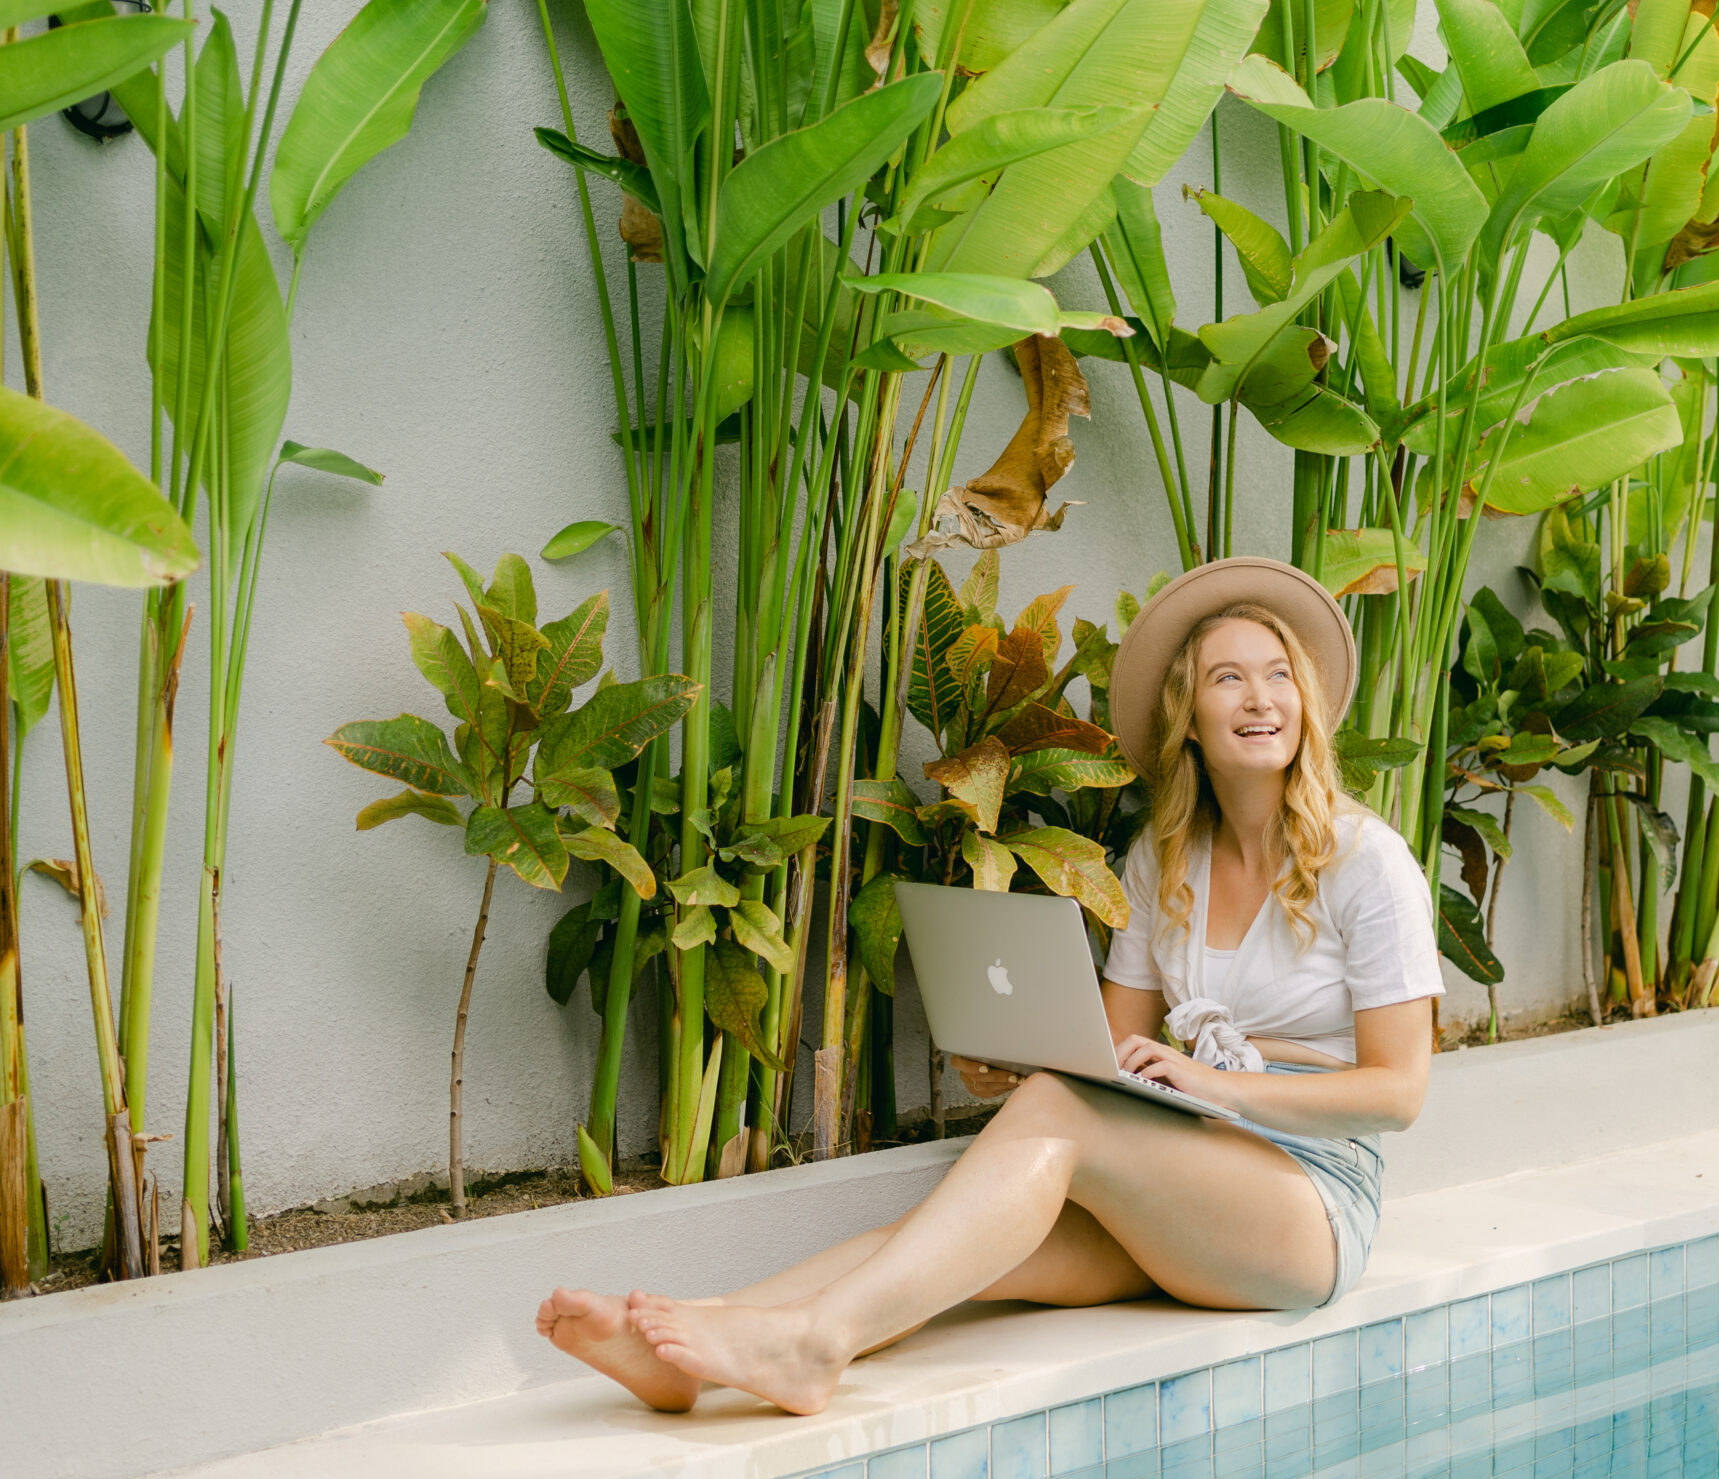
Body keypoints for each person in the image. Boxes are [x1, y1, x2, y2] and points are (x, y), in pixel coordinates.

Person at [537, 557, 1445, 1416]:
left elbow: (1397, 1095)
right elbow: (1106, 1058)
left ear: (1307, 702)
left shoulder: (1368, 863)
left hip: (1309, 1201)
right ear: (1190, 719)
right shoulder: (1161, 860)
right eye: (1227, 679)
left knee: (1045, 1132)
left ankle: (813, 1345)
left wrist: (1211, 1081)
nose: (1259, 698)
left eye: (1278, 674)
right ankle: (700, 1339)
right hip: (1187, 1181)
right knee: (952, 1247)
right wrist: (1024, 1065)